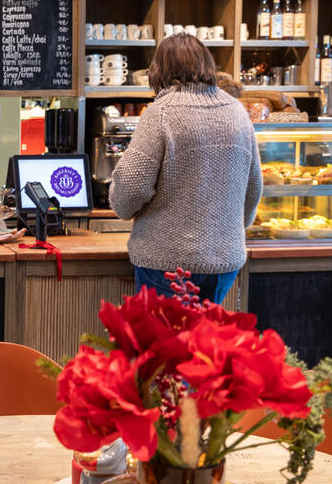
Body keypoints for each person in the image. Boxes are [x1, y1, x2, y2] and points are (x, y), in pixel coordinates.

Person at [109, 32, 261, 304]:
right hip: (224, 261)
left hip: (168, 262)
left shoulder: (161, 113)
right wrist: (229, 228)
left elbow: (131, 187)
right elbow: (254, 187)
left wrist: (121, 206)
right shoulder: (238, 112)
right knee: (203, 333)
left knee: (165, 333)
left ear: (159, 70)